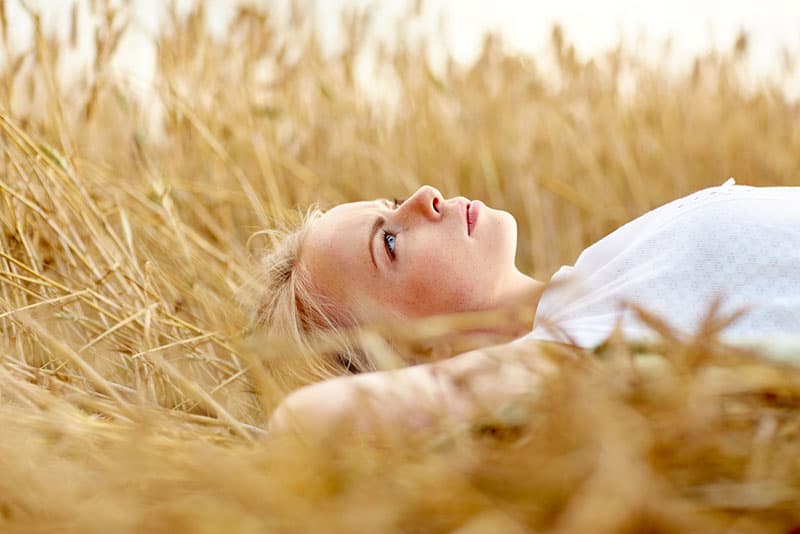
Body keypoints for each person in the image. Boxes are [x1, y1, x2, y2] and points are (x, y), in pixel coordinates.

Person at [260, 179, 800, 438]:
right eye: (391, 243)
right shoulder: (564, 360)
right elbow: (300, 425)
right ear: (405, 357)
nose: (426, 196)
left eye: (390, 202)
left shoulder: (603, 268)